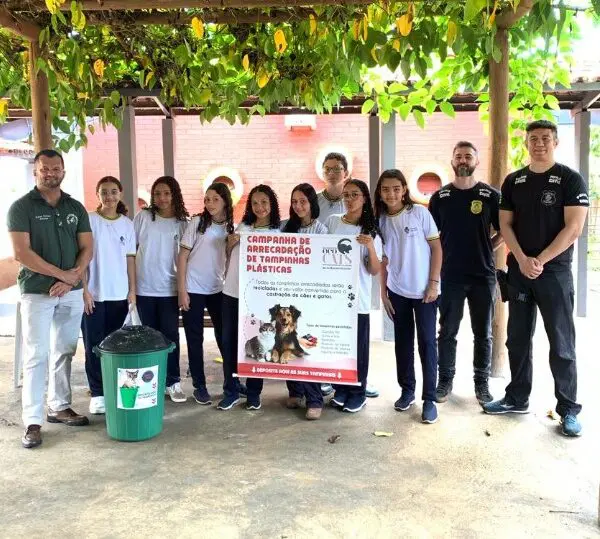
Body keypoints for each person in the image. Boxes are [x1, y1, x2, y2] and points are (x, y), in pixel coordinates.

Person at [483, 120, 589, 438]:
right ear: (526, 143)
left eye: (545, 138)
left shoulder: (570, 179)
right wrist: (522, 259)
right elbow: (506, 225)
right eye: (533, 138)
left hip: (553, 274)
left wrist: (539, 261)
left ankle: (568, 410)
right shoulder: (515, 181)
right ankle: (517, 397)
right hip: (520, 272)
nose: (539, 143)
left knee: (561, 343)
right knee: (517, 338)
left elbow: (574, 229)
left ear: (555, 142)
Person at [7, 149, 93, 449]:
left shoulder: (75, 207)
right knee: (36, 355)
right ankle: (32, 420)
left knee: (65, 351)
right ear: (36, 171)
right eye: (45, 168)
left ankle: (59, 405)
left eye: (56, 168)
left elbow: (87, 246)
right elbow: (22, 253)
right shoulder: (21, 207)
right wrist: (62, 275)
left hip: (70, 293)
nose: (51, 173)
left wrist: (74, 275)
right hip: (37, 292)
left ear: (63, 171)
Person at [428, 142, 502, 405]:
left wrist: (489, 245)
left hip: (483, 275)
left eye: (468, 156)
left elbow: (505, 229)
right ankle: (445, 381)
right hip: (451, 275)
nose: (463, 160)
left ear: (476, 161)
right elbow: (431, 237)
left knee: (483, 332)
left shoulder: (490, 195)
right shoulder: (440, 198)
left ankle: (481, 384)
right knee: (447, 331)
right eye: (458, 155)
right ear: (452, 161)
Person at [376, 169, 442, 424]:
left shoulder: (420, 213)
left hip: (425, 291)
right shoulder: (380, 221)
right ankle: (407, 391)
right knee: (402, 342)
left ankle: (429, 399)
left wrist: (433, 284)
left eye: (395, 188)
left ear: (404, 189)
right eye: (385, 189)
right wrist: (383, 291)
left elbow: (437, 248)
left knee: (427, 342)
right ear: (380, 193)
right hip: (397, 291)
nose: (391, 193)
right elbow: (383, 259)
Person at [316, 152, 379, 399]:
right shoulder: (332, 221)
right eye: (347, 195)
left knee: (358, 347)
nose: (350, 199)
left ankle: (358, 392)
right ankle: (341, 389)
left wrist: (371, 246)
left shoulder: (370, 229)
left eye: (355, 195)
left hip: (357, 298)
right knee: (337, 344)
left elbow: (374, 269)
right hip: (332, 298)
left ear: (364, 199)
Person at [217, 184, 281, 411]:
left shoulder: (278, 233)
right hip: (232, 293)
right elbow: (227, 259)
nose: (260, 207)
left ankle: (254, 393)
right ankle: (231, 390)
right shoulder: (240, 228)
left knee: (258, 345)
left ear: (272, 204)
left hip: (259, 299)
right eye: (255, 203)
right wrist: (230, 244)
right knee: (229, 342)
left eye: (264, 202)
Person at [82, 177, 136, 415]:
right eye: (104, 192)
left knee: (116, 345)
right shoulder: (90, 221)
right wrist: (84, 289)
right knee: (93, 345)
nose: (109, 196)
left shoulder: (127, 224)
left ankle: (114, 389)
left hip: (119, 295)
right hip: (94, 293)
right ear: (98, 194)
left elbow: (130, 259)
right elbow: (82, 258)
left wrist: (132, 289)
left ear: (120, 194)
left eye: (114, 192)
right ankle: (97, 393)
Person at [177, 183, 234, 406]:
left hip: (218, 289)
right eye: (207, 199)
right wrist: (182, 290)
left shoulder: (232, 226)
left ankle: (232, 381)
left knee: (224, 337)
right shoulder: (198, 223)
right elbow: (182, 256)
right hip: (193, 288)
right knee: (194, 338)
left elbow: (228, 258)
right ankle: (199, 386)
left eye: (215, 199)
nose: (209, 203)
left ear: (225, 201)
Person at [133, 176, 189, 403]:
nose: (162, 198)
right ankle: (150, 382)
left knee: (170, 337)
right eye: (157, 194)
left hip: (169, 290)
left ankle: (172, 382)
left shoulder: (182, 223)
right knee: (148, 338)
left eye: (166, 193)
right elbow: (131, 248)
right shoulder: (144, 217)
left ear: (174, 194)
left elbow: (187, 257)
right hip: (144, 288)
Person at [281, 183, 328, 420]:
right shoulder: (286, 228)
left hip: (311, 297)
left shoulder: (322, 230)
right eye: (294, 201)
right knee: (289, 343)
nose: (298, 206)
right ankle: (295, 391)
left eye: (303, 201)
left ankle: (314, 398)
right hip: (288, 298)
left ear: (312, 203)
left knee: (307, 348)